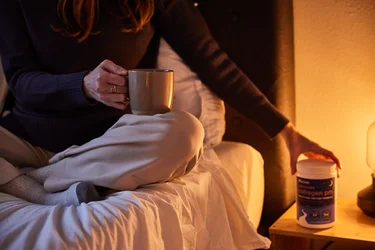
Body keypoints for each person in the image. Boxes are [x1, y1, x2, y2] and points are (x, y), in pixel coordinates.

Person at [0, 0, 341, 206]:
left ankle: (33, 181)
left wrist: (286, 131)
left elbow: (214, 63)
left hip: (110, 145)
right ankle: (45, 191)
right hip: (30, 138)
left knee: (185, 133)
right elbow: (20, 81)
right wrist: (84, 85)